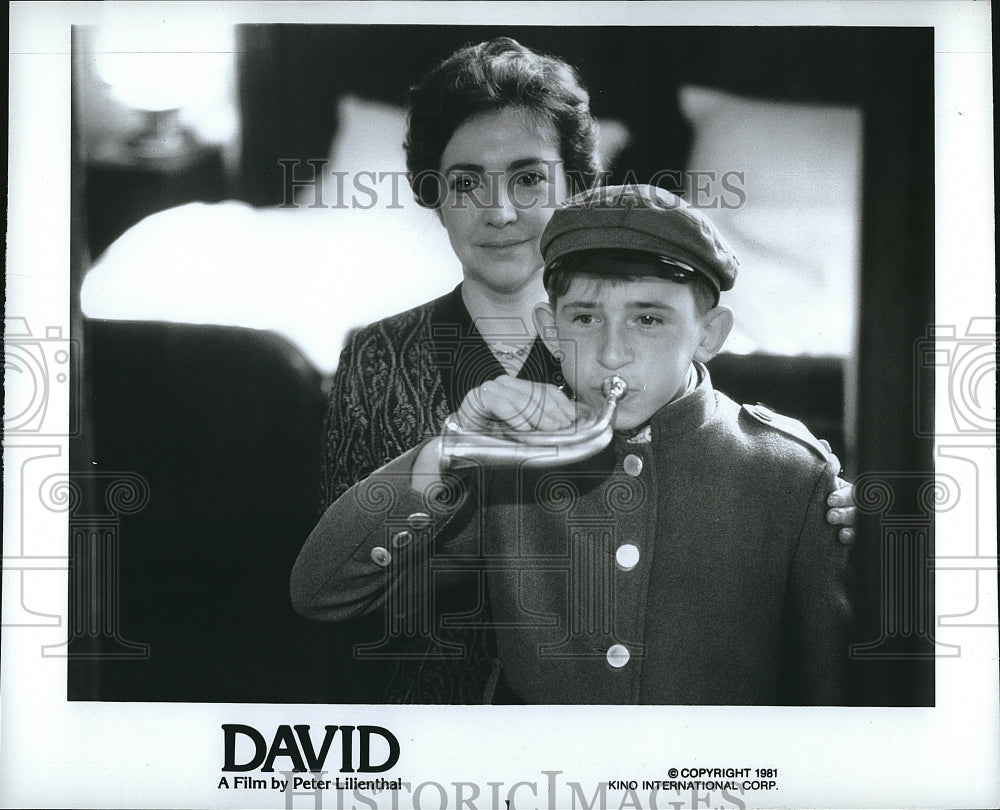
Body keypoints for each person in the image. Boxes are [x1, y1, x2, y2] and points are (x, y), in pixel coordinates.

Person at [315, 38, 855, 703]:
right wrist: (446, 452)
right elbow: (337, 592)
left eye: (528, 177)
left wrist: (856, 535)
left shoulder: (758, 445)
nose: (500, 211)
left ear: (577, 184)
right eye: (465, 182)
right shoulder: (387, 365)